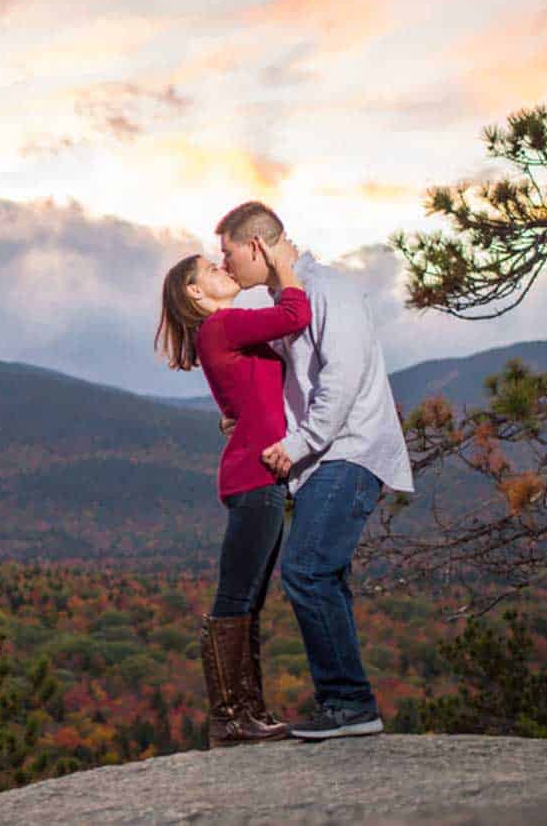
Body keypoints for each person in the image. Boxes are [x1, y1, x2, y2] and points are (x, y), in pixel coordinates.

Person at [214, 200, 413, 740]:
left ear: (256, 245)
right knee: (324, 575)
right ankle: (348, 705)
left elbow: (342, 379)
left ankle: (350, 704)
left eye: (229, 252)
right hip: (322, 459)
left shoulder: (329, 291)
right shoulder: (289, 301)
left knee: (305, 570)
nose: (225, 263)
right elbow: (291, 387)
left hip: (348, 451)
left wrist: (300, 442)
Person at [156, 238, 309, 747]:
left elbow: (248, 400)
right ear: (196, 291)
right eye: (210, 268)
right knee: (236, 598)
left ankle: (247, 711)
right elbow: (294, 315)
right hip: (254, 479)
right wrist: (285, 267)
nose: (222, 267)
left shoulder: (218, 331)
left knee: (249, 599)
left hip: (259, 478)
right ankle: (229, 719)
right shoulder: (223, 324)